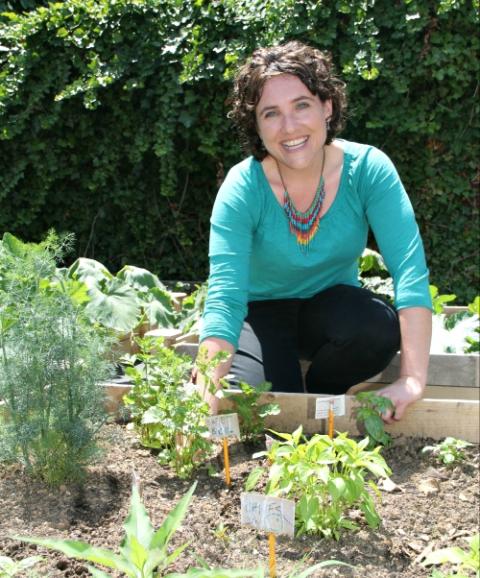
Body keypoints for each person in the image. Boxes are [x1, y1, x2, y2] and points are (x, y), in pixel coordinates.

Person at [197, 41, 432, 423]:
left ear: (327, 105)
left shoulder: (368, 170)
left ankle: (324, 387)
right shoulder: (243, 187)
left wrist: (413, 379)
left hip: (330, 310)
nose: (289, 127)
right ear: (256, 125)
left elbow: (410, 272)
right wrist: (204, 394)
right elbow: (225, 296)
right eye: (271, 113)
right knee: (265, 404)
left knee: (375, 326)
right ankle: (282, 381)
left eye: (301, 105)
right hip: (259, 314)